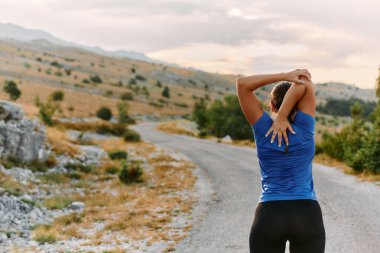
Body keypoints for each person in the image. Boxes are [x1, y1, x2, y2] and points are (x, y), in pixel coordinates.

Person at [236, 69, 325, 253]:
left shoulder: (263, 129)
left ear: (272, 104)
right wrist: (284, 115)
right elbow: (304, 81)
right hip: (307, 214)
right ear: (299, 103)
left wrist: (285, 75)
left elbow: (242, 85)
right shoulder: (305, 125)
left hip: (269, 214)